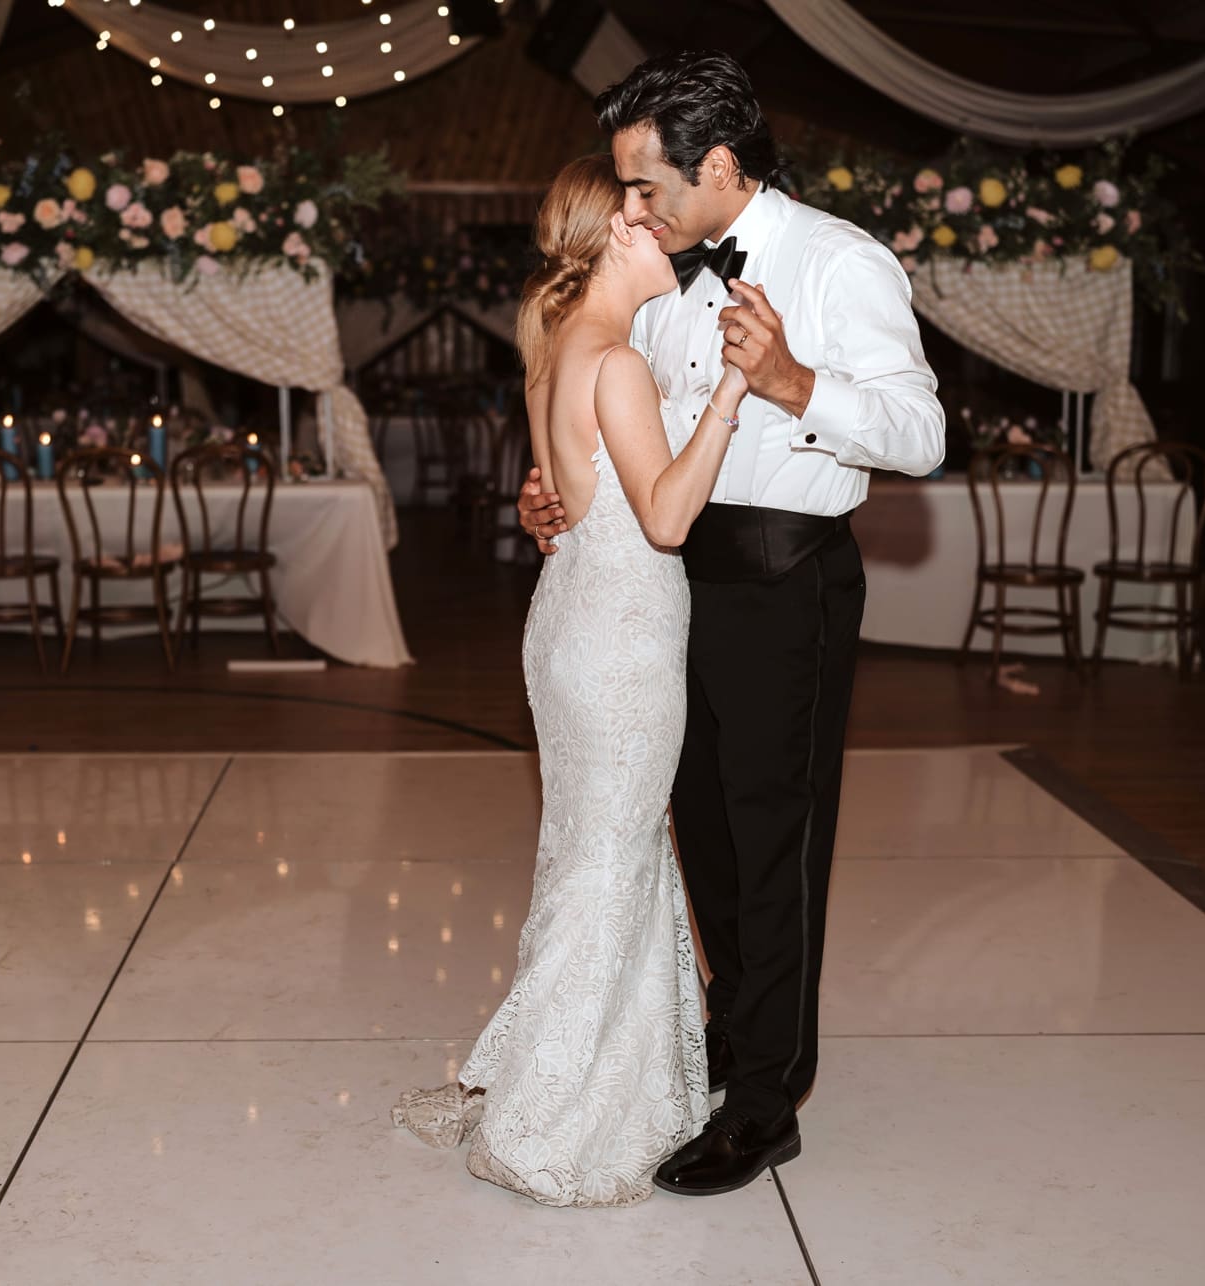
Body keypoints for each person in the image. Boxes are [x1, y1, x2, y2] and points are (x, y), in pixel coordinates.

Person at [519, 52, 944, 1197]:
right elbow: (628, 424)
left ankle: (767, 1097)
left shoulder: (841, 262)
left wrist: (799, 383)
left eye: (646, 186)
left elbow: (921, 432)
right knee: (697, 824)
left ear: (716, 165)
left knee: (773, 840)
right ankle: (726, 1027)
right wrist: (561, 485)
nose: (632, 210)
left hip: (782, 581)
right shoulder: (662, 276)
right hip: (661, 586)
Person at [393, 153, 752, 1207]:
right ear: (614, 240)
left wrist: (538, 505)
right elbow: (669, 517)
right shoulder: (620, 362)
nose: (670, 233)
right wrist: (733, 389)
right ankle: (551, 1113)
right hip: (622, 640)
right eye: (651, 219)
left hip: (571, 628)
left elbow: (564, 500)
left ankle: (604, 1079)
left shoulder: (556, 348)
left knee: (601, 856)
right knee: (611, 863)